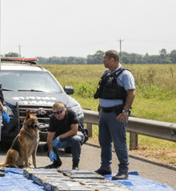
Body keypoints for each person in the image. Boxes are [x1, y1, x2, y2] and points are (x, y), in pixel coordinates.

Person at [94, 50, 136, 180]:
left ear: (112, 59)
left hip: (117, 114)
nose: (103, 61)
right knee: (104, 141)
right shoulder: (106, 74)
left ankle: (123, 170)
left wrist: (125, 111)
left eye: (105, 58)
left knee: (119, 142)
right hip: (104, 113)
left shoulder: (125, 74)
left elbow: (131, 93)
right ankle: (105, 167)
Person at [43, 102, 86, 170]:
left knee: (75, 139)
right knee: (52, 144)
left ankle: (75, 165)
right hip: (63, 138)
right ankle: (56, 162)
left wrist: (60, 137)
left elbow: (74, 131)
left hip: (75, 135)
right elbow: (50, 137)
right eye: (55, 113)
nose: (58, 115)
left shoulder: (71, 114)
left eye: (59, 112)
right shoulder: (53, 119)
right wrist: (51, 150)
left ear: (64, 110)